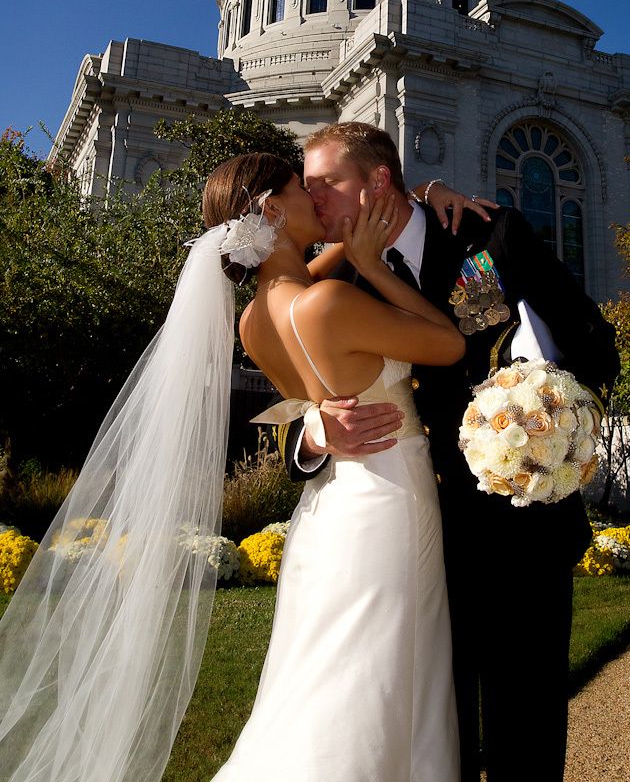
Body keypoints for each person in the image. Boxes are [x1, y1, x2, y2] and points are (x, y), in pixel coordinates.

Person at [0, 152, 464, 782]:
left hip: (329, 511)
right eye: (301, 187)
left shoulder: (253, 321)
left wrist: (413, 196)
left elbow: (296, 284)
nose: (316, 196)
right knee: (381, 680)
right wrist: (372, 267)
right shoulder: (329, 299)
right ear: (271, 209)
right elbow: (449, 343)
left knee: (325, 684)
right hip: (387, 500)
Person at [280, 122, 620, 782]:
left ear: (378, 181)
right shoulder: (335, 281)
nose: (313, 198)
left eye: (326, 184)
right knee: (439, 732)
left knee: (526, 725)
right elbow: (296, 400)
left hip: (523, 529)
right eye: (307, 187)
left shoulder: (486, 238)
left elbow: (593, 345)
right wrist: (316, 434)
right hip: (412, 537)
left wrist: (558, 411)